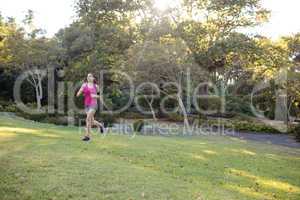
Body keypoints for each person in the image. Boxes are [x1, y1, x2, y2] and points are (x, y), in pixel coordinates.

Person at [77, 73, 104, 141]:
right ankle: (100, 125)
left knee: (88, 118)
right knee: (91, 121)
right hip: (87, 104)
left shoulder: (96, 86)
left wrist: (94, 96)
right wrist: (81, 92)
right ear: (87, 78)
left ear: (93, 78)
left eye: (90, 76)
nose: (89, 77)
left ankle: (87, 136)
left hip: (94, 104)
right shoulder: (84, 85)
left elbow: (99, 96)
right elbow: (78, 94)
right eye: (88, 76)